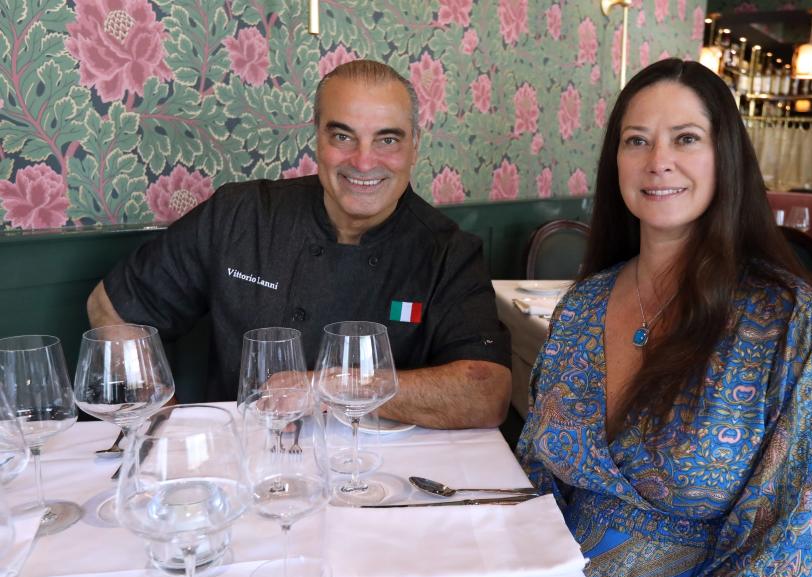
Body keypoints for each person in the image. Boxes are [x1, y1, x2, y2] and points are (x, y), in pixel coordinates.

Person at [516, 58, 812, 577]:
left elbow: (795, 542)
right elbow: (537, 468)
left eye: (686, 138)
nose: (658, 161)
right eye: (636, 141)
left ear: (726, 157)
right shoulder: (585, 302)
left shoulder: (788, 323)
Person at [87, 60, 512, 429]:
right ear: (317, 139)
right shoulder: (241, 214)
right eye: (343, 136)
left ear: (414, 145)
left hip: (373, 474)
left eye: (387, 139)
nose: (364, 162)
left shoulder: (448, 252)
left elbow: (487, 392)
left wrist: (327, 387)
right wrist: (162, 423)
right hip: (248, 460)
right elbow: (111, 306)